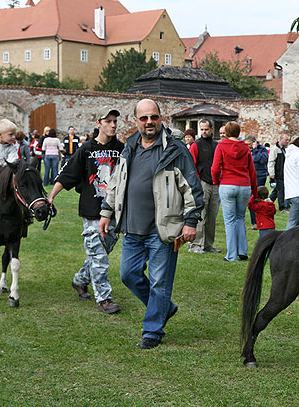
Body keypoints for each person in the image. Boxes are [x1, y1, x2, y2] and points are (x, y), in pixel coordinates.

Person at [99, 98, 204, 349]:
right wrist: (107, 210)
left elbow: (192, 187)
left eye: (153, 117)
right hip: (132, 227)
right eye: (143, 118)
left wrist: (190, 221)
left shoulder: (175, 149)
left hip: (163, 229)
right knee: (128, 275)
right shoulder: (130, 146)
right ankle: (164, 308)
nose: (149, 122)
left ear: (161, 118)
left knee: (159, 281)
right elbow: (116, 181)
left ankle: (152, 331)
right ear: (135, 121)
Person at [48, 107, 125, 314]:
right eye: (108, 121)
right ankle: (104, 298)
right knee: (99, 257)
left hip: (115, 212)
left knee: (100, 253)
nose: (113, 125)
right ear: (98, 123)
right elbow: (68, 174)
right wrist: (51, 196)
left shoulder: (122, 149)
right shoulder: (87, 148)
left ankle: (80, 280)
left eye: (115, 121)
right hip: (92, 210)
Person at [212, 121, 258, 262]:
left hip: (227, 184)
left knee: (230, 220)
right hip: (244, 185)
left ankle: (231, 255)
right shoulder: (245, 147)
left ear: (226, 132)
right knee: (240, 218)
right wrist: (255, 191)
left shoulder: (221, 146)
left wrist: (216, 182)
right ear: (238, 132)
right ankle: (242, 251)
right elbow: (252, 170)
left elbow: (215, 168)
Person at [188, 118, 221, 254]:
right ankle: (196, 244)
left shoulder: (216, 145)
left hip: (215, 184)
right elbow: (191, 164)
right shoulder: (196, 145)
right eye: (201, 129)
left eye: (206, 129)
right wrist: (196, 182)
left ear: (212, 129)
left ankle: (208, 244)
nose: (204, 132)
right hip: (202, 182)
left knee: (212, 216)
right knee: (201, 215)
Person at [245, 135, 269, 228]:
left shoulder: (262, 149)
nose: (248, 146)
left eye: (249, 144)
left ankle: (259, 221)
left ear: (254, 142)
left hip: (259, 176)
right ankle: (254, 222)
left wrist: (255, 150)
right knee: (251, 199)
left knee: (257, 198)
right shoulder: (246, 149)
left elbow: (263, 160)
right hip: (249, 176)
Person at [267, 133, 290, 211]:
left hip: (283, 173)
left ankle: (268, 203)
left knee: (276, 190)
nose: (287, 141)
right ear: (281, 139)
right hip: (278, 173)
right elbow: (271, 161)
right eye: (286, 140)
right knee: (281, 190)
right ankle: (282, 207)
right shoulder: (275, 149)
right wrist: (271, 173)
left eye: (288, 140)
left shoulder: (284, 149)